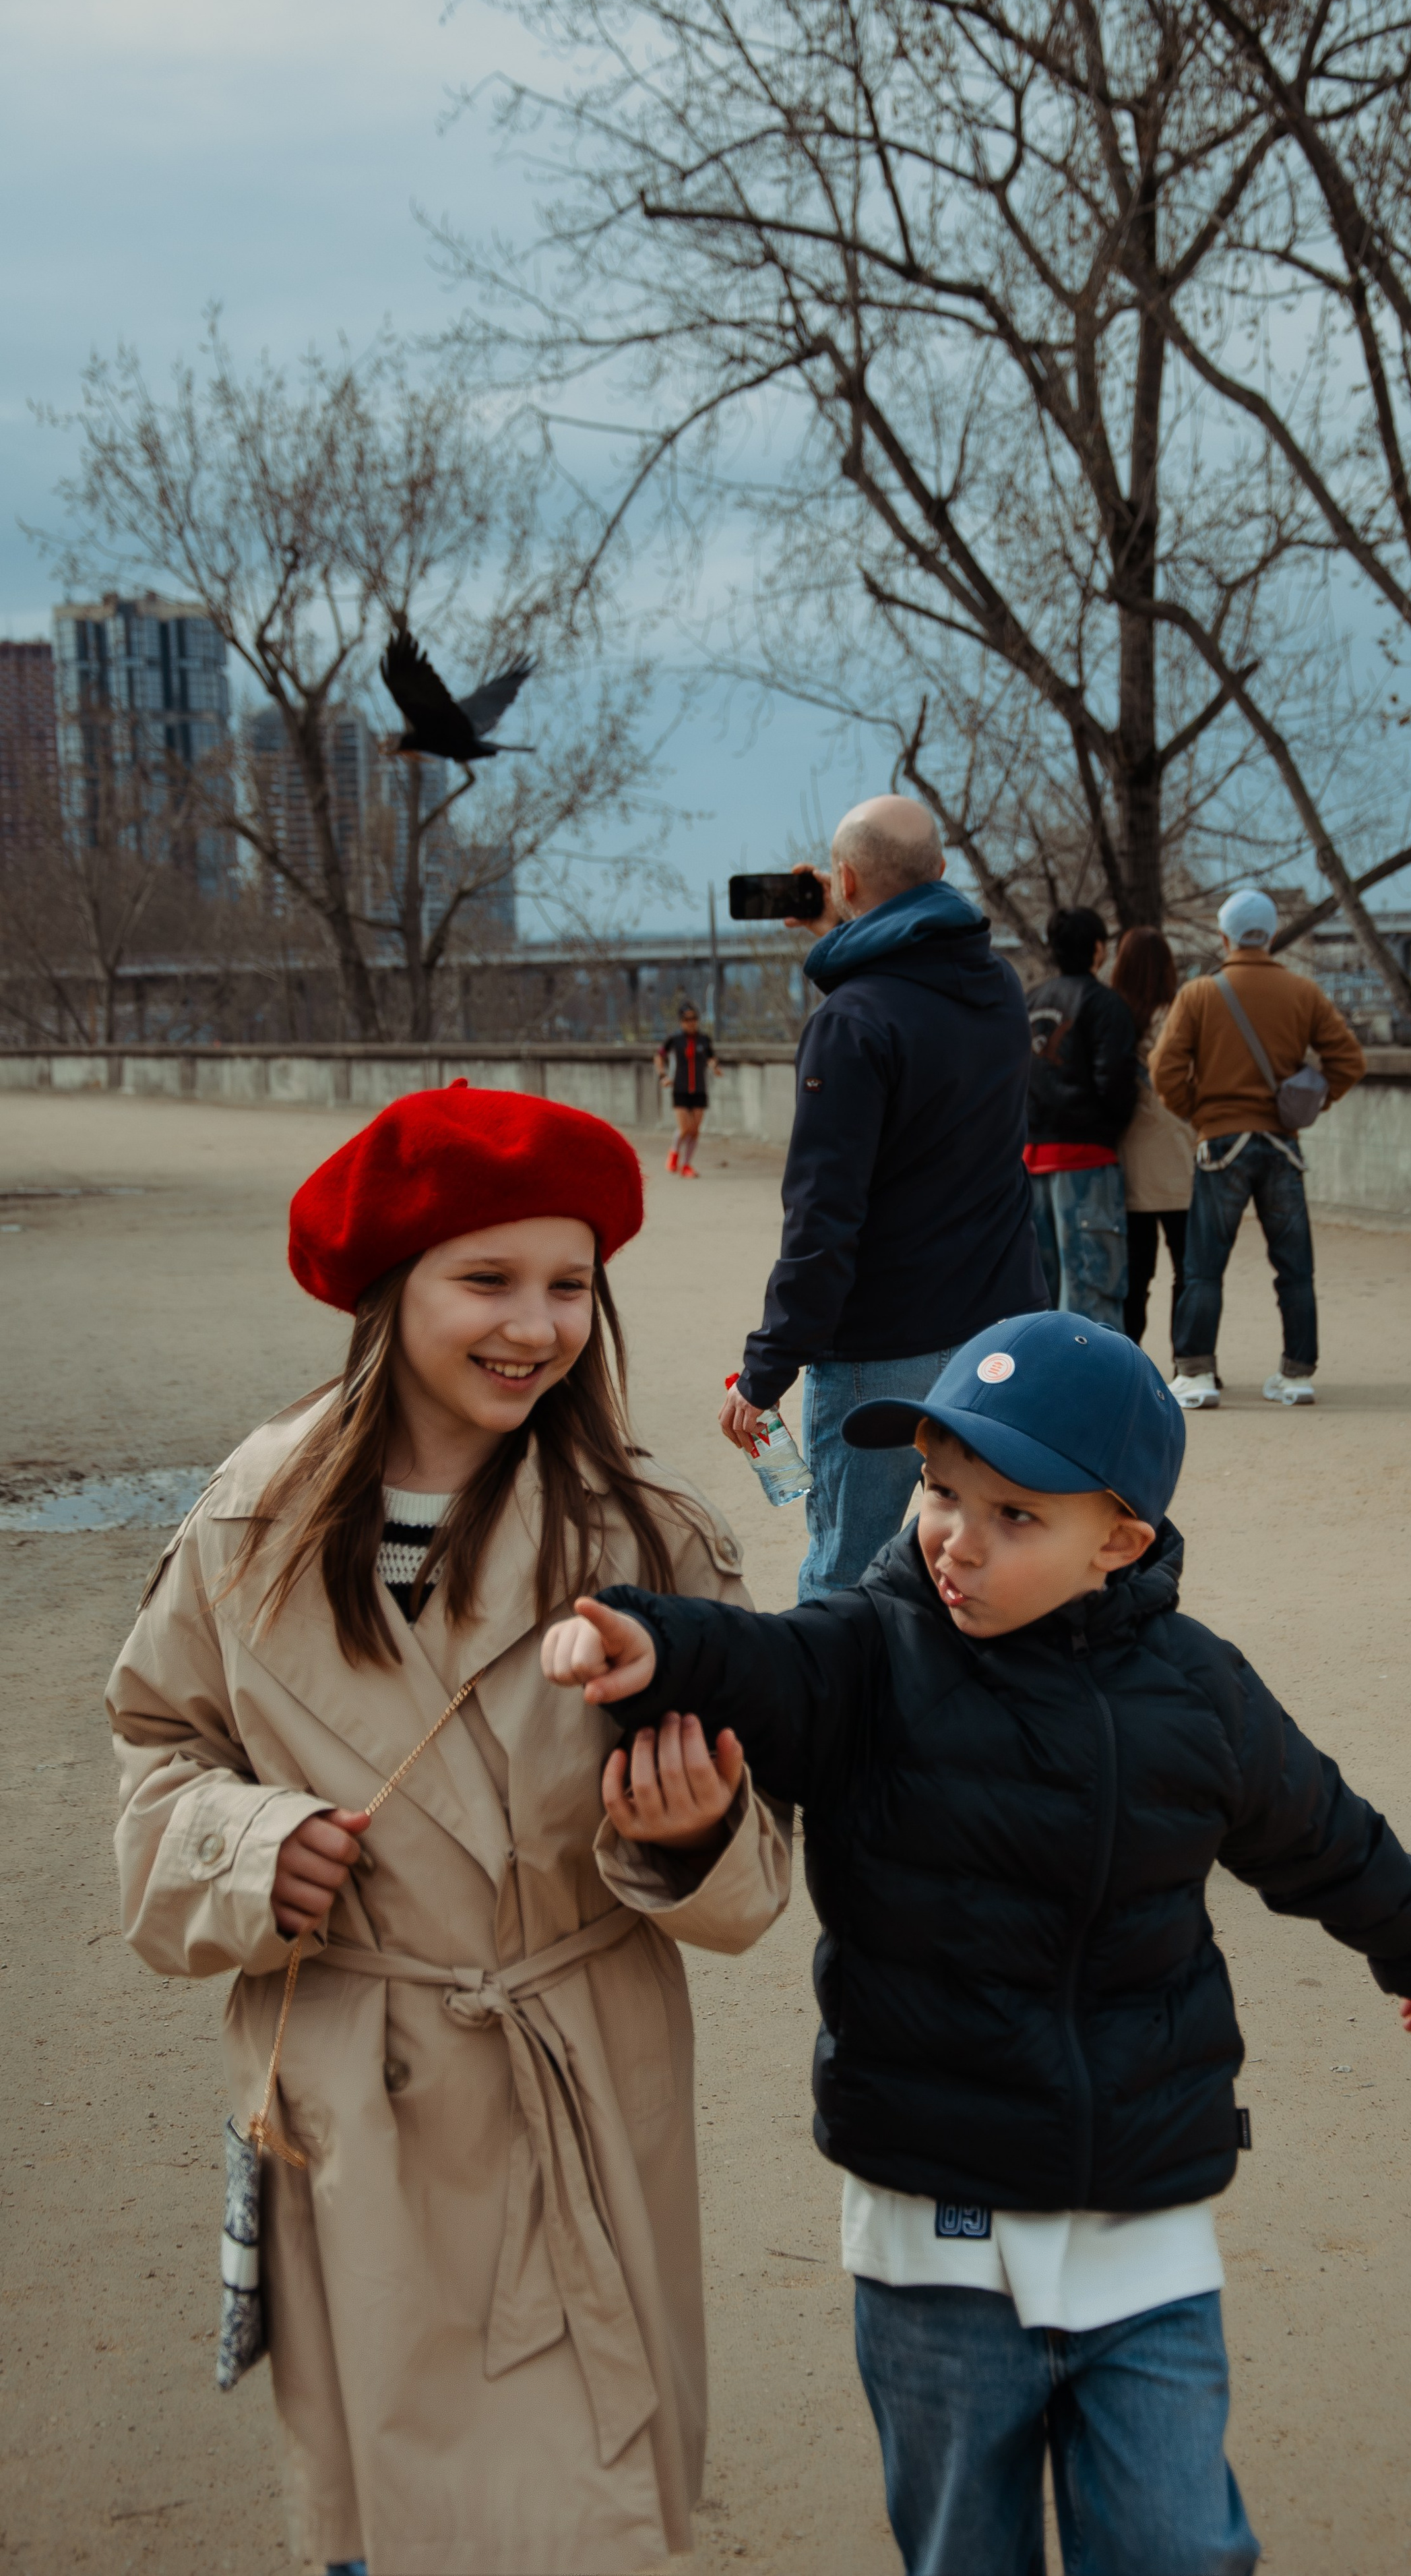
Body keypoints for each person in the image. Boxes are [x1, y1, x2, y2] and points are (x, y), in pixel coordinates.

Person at [544, 1311, 1411, 2576]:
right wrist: (654, 1646)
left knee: (1176, 2546)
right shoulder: (870, 1655)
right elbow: (764, 1664)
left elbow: (1321, 1831)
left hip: (1142, 2219)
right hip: (936, 2224)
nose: (952, 1542)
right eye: (937, 1491)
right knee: (960, 2552)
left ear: (1122, 1539)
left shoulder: (1199, 1693)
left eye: (1013, 1516)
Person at [106, 1082, 791, 2576]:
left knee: (569, 2517)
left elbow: (758, 1861)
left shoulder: (648, 1534)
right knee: (388, 2518)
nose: (534, 1324)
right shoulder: (250, 1519)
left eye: (566, 1284)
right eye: (486, 1279)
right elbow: (161, 1747)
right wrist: (244, 1843)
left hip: (581, 2080)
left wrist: (692, 1832)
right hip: (356, 2088)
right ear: (385, 1289)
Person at [718, 795, 1044, 1601]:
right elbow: (920, 976)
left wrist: (767, 1370)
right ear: (939, 873)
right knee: (976, 1563)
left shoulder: (853, 1022)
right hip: (995, 1329)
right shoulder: (998, 989)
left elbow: (824, 1217)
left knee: (847, 1573)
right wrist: (852, 920)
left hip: (881, 1348)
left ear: (845, 877)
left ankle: (831, 1727)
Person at [1152, 887, 1365, 1411]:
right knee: (1294, 1267)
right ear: (1269, 935)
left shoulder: (1200, 994)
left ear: (1224, 936)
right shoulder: (1303, 992)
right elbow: (1349, 1061)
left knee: (1204, 1266)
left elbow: (1164, 1070)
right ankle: (1297, 1374)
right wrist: (1307, 1104)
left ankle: (1196, 1371)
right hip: (1281, 1145)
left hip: (1221, 1141)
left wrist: (1200, 1113)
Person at [1023, 907, 1140, 1329]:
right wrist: (1110, 1127)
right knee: (1094, 1293)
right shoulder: (1106, 1005)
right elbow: (1116, 1083)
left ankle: (1042, 1390)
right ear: (1097, 949)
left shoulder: (1028, 1001)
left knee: (1036, 1301)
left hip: (1029, 1161)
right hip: (1087, 1160)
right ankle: (1099, 1391)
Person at [1112, 923, 1195, 1350]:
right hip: (1181, 1154)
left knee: (1134, 1275)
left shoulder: (1113, 1016)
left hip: (1127, 1159)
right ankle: (1189, 1360)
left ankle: (1129, 1361)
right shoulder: (1180, 1014)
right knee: (1189, 1269)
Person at [657, 998, 722, 1177]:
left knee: (695, 1130)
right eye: (687, 1019)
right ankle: (674, 1152)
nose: (691, 1023)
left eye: (693, 1019)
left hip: (699, 1089)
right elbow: (659, 1056)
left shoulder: (704, 1039)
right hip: (680, 1088)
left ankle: (686, 1165)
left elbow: (711, 1057)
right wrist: (663, 1076)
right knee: (685, 1128)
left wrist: (714, 1067)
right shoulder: (674, 1040)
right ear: (681, 1021)